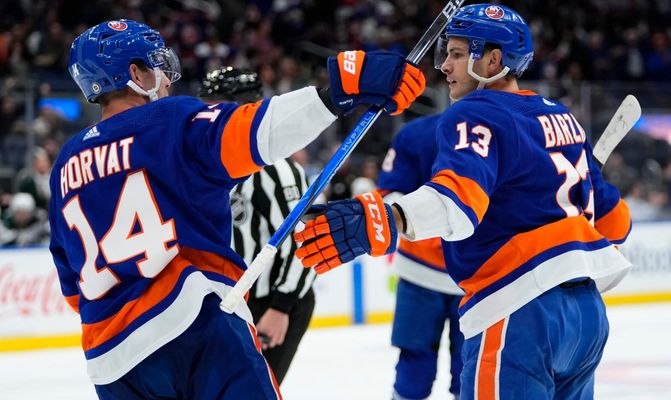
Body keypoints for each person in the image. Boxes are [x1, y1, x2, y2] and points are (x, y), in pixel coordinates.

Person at [48, 19, 424, 399]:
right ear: (134, 74)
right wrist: (336, 94)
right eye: (156, 67)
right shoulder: (168, 120)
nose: (166, 80)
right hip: (194, 324)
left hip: (110, 359)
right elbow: (257, 131)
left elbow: (71, 279)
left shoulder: (65, 163)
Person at [294, 4, 632, 399]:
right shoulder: (562, 117)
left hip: (520, 308)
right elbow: (616, 227)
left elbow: (458, 203)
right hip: (586, 316)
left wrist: (384, 218)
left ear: (493, 60)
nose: (444, 67)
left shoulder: (476, 111)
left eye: (456, 54)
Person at [200, 66, 317, 384]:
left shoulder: (276, 169)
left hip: (274, 304)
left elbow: (305, 240)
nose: (206, 115)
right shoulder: (210, 164)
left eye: (214, 105)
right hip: (232, 304)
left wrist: (282, 307)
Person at [378, 114, 463, 400]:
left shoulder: (505, 128)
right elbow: (389, 194)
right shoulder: (417, 134)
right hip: (424, 273)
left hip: (479, 279)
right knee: (415, 372)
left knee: (473, 372)